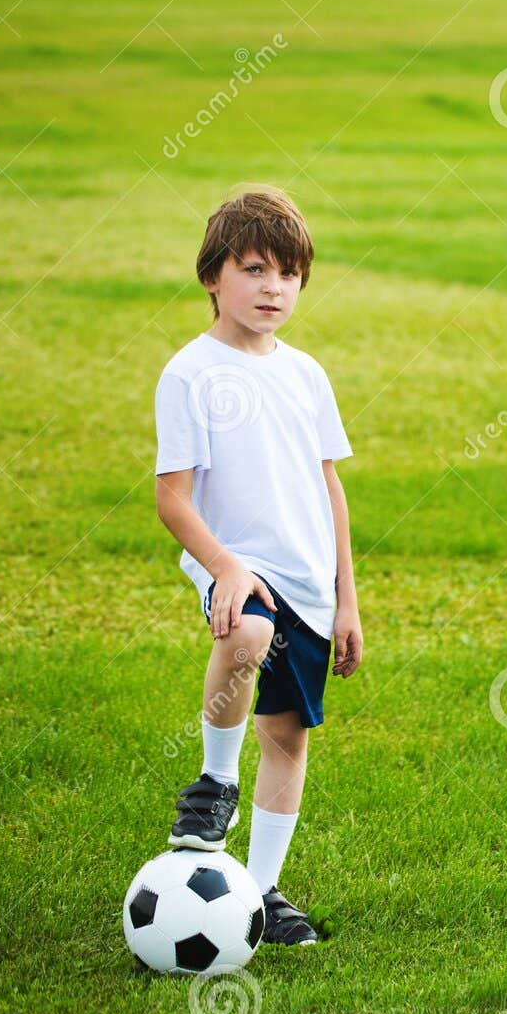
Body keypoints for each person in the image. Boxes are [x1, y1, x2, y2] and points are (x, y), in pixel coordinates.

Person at [153, 186, 363, 946]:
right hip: (239, 563)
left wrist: (347, 601)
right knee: (244, 635)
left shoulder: (306, 373)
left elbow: (328, 483)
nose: (273, 287)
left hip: (310, 580)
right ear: (213, 276)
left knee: (288, 737)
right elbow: (172, 498)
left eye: (289, 274)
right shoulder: (190, 373)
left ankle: (265, 892)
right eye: (253, 268)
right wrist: (225, 567)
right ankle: (214, 782)